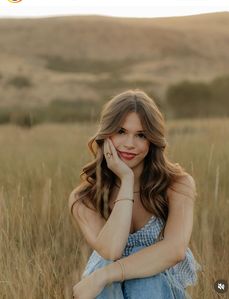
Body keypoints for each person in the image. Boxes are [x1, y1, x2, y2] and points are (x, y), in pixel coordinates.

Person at [69, 89, 201, 299]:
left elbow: (175, 250)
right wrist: (126, 180)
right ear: (106, 134)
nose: (129, 143)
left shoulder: (178, 184)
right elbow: (112, 251)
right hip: (106, 291)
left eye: (141, 135)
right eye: (121, 131)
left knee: (146, 279)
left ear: (152, 140)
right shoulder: (85, 198)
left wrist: (104, 275)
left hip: (157, 289)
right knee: (107, 269)